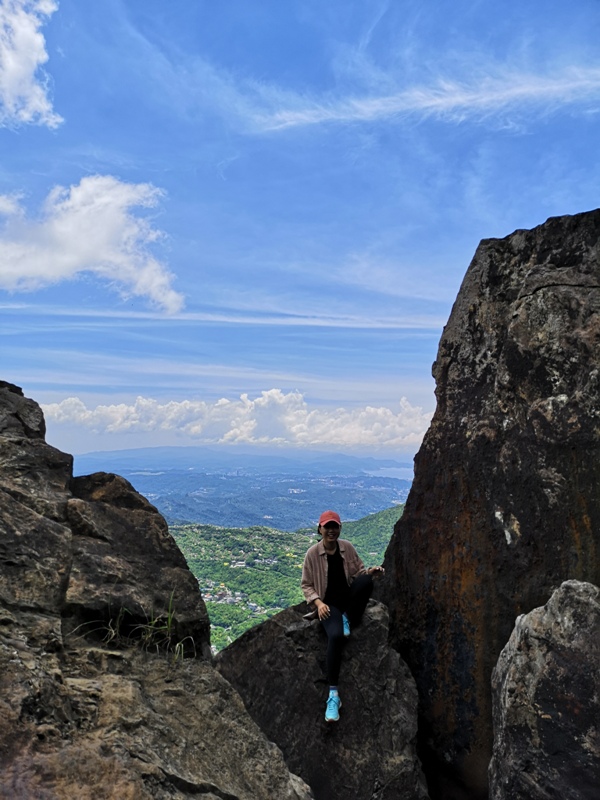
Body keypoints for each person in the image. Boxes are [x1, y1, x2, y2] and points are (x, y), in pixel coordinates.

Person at [301, 509, 385, 723]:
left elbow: (358, 574)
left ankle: (347, 617)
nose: (331, 530)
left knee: (366, 582)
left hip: (346, 600)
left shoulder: (346, 548)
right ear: (320, 529)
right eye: (327, 526)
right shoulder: (312, 554)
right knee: (336, 637)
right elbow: (307, 585)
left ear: (339, 528)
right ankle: (333, 695)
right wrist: (318, 604)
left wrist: (370, 573)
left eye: (334, 526)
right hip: (329, 606)